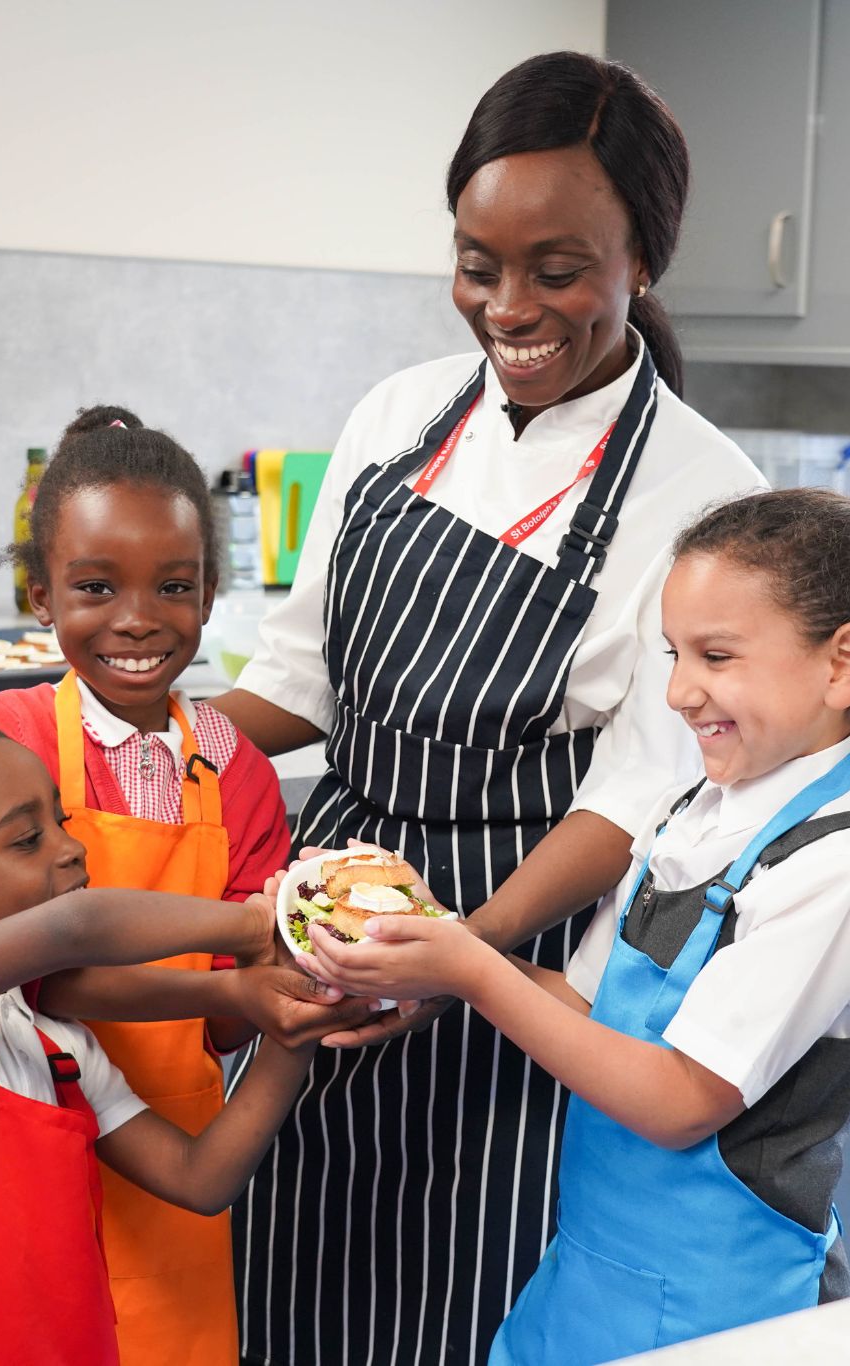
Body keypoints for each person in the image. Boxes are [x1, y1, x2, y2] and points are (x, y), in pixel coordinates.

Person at [214, 49, 765, 1366]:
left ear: (644, 261)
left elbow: (629, 796)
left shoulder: (699, 489)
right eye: (478, 263)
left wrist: (458, 952)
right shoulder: (401, 413)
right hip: (336, 915)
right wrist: (115, 751)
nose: (507, 305)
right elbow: (301, 678)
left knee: (464, 1295)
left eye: (557, 269)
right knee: (288, 1260)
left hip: (526, 953)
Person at [301, 488, 850, 1363]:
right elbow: (587, 1009)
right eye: (673, 655)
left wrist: (473, 971)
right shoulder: (689, 814)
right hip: (592, 1270)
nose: (676, 691)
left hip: (724, 1304)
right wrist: (437, 943)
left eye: (716, 656)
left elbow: (676, 1103)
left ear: (843, 663)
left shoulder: (844, 867)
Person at [0, 405, 370, 1366]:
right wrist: (229, 976)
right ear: (39, 595)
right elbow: (16, 973)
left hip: (171, 1144)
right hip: (10, 1128)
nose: (139, 620)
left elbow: (229, 1025)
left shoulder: (241, 774)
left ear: (211, 593)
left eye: (174, 587)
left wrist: (305, 982)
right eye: (95, 587)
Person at [0, 717, 327, 1366]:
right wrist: (258, 926)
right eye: (26, 840)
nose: (71, 849)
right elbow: (76, 928)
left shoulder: (58, 1045)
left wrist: (295, 1026)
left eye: (62, 821)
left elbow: (200, 1178)